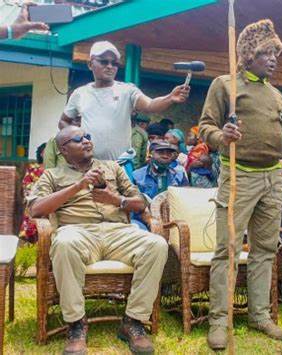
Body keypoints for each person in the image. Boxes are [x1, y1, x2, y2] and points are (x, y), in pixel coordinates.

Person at [199, 19, 282, 350]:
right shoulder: (225, 85)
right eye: (266, 52)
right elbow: (205, 127)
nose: (273, 58)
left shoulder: (276, 95)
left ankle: (259, 316)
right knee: (227, 249)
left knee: (265, 250)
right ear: (247, 54)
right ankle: (219, 319)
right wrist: (221, 135)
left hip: (273, 178)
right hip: (238, 175)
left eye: (276, 53)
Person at [27, 126, 169, 355]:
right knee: (64, 244)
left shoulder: (113, 168)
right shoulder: (52, 175)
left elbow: (141, 204)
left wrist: (116, 199)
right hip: (77, 231)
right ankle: (76, 324)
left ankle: (133, 321)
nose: (86, 141)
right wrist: (78, 186)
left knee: (157, 245)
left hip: (118, 232)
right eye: (78, 139)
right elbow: (35, 209)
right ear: (63, 149)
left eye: (88, 137)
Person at [60, 41, 189, 161]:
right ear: (90, 64)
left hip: (120, 167)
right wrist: (74, 141)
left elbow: (150, 105)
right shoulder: (80, 93)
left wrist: (170, 98)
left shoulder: (127, 90)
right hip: (88, 166)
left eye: (114, 63)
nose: (110, 67)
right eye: (104, 62)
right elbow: (63, 121)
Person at [19, 143, 46, 243]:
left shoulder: (56, 170)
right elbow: (27, 186)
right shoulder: (33, 169)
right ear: (41, 154)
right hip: (35, 201)